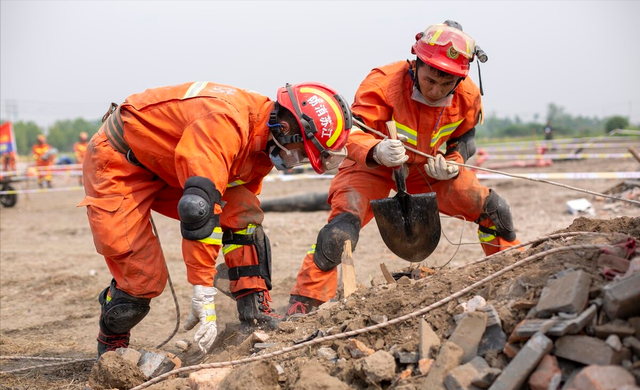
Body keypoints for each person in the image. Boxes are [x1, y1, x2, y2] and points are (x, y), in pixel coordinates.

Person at [78, 81, 353, 356]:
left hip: (173, 165)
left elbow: (236, 211)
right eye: (301, 153)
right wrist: (202, 290)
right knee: (142, 280)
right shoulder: (224, 123)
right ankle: (112, 342)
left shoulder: (263, 144)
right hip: (120, 162)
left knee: (244, 214)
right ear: (285, 128)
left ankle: (255, 314)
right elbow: (199, 209)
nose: (296, 161)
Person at [286, 21, 521, 316]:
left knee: (496, 211)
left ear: (460, 80)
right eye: (430, 79)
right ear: (416, 63)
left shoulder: (468, 96)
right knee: (340, 233)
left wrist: (454, 163)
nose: (436, 90)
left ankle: (516, 273)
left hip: (428, 170)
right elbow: (351, 133)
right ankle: (303, 303)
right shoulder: (382, 83)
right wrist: (376, 150)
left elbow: (466, 139)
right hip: (372, 165)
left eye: (446, 84)